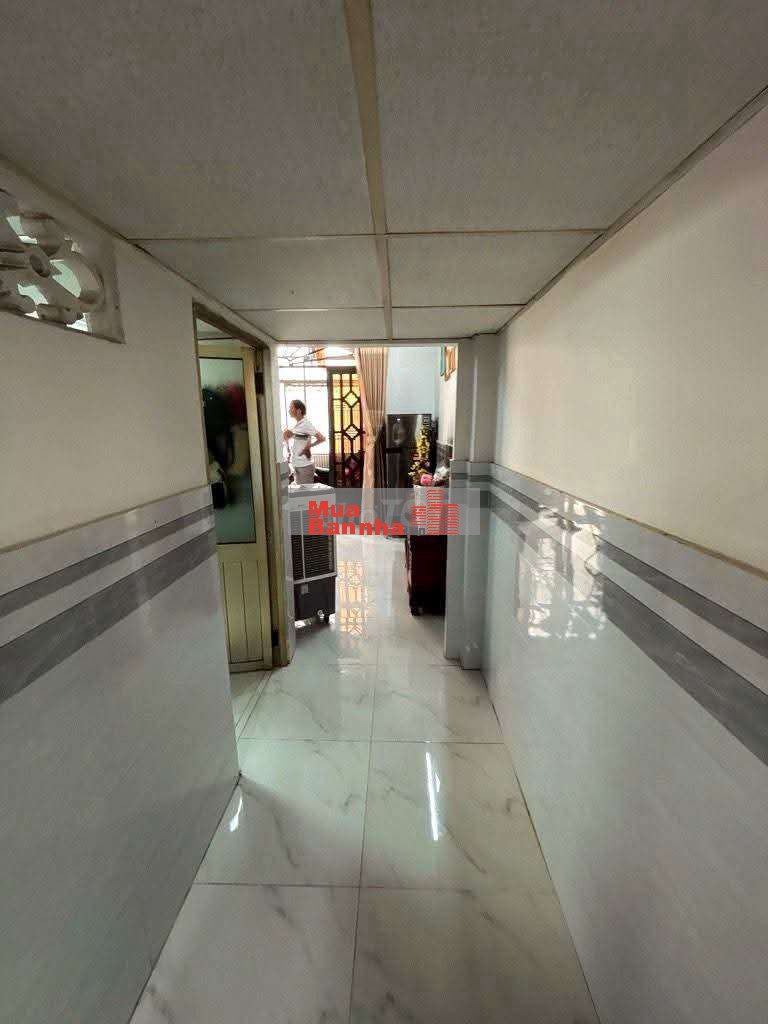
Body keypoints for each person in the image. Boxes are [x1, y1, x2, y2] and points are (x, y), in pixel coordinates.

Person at [283, 399, 325, 484]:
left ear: (298, 411)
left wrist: (308, 447)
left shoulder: (306, 424)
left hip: (305, 466)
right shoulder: (297, 425)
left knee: (304, 491)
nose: (289, 410)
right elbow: (299, 439)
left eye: (291, 408)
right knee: (299, 490)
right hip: (297, 465)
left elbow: (321, 438)